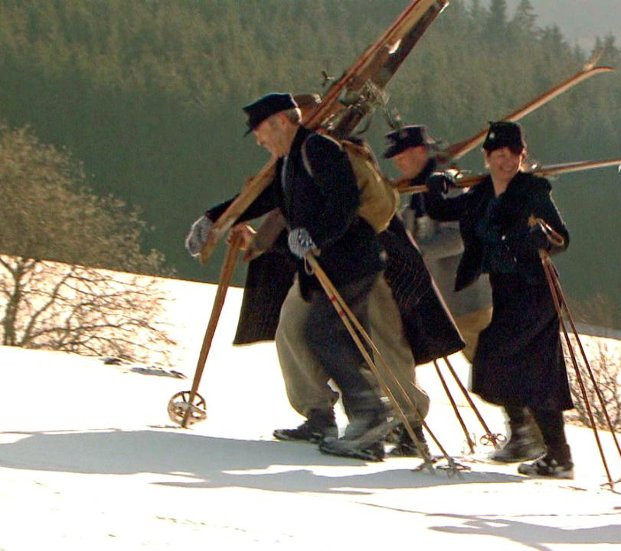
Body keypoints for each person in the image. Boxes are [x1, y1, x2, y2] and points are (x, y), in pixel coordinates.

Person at [184, 92, 392, 460]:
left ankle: (370, 414)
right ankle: (363, 425)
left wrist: (315, 234)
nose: (259, 139)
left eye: (261, 130)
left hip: (351, 261)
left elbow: (344, 202)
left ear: (282, 121)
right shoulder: (290, 160)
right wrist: (214, 217)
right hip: (331, 264)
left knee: (324, 334)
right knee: (319, 334)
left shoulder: (317, 149)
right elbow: (262, 199)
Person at [423, 121, 572, 477]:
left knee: (504, 356)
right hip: (506, 292)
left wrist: (539, 238)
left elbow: (562, 237)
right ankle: (556, 454)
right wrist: (434, 188)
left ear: (522, 156)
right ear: (487, 157)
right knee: (533, 371)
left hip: (537, 290)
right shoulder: (481, 195)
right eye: (499, 156)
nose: (506, 162)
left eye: (513, 155)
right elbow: (443, 211)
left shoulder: (533, 190)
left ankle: (542, 444)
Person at [385, 125, 494, 363]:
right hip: (451, 304)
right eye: (396, 157)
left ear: (422, 152)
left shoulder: (448, 185)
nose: (398, 162)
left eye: (403, 155)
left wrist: (417, 251)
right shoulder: (418, 190)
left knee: (497, 375)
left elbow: (460, 237)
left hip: (468, 301)